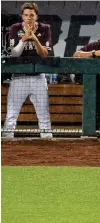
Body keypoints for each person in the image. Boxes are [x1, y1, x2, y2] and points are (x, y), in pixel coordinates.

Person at [2, 2, 53, 139]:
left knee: (43, 114)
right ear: (22, 17)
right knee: (12, 113)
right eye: (26, 15)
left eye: (32, 15)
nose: (29, 18)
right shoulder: (15, 28)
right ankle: (7, 143)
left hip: (38, 77)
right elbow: (14, 54)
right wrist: (23, 39)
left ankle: (48, 144)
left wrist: (35, 39)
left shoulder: (45, 28)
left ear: (36, 16)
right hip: (19, 77)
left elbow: (44, 54)